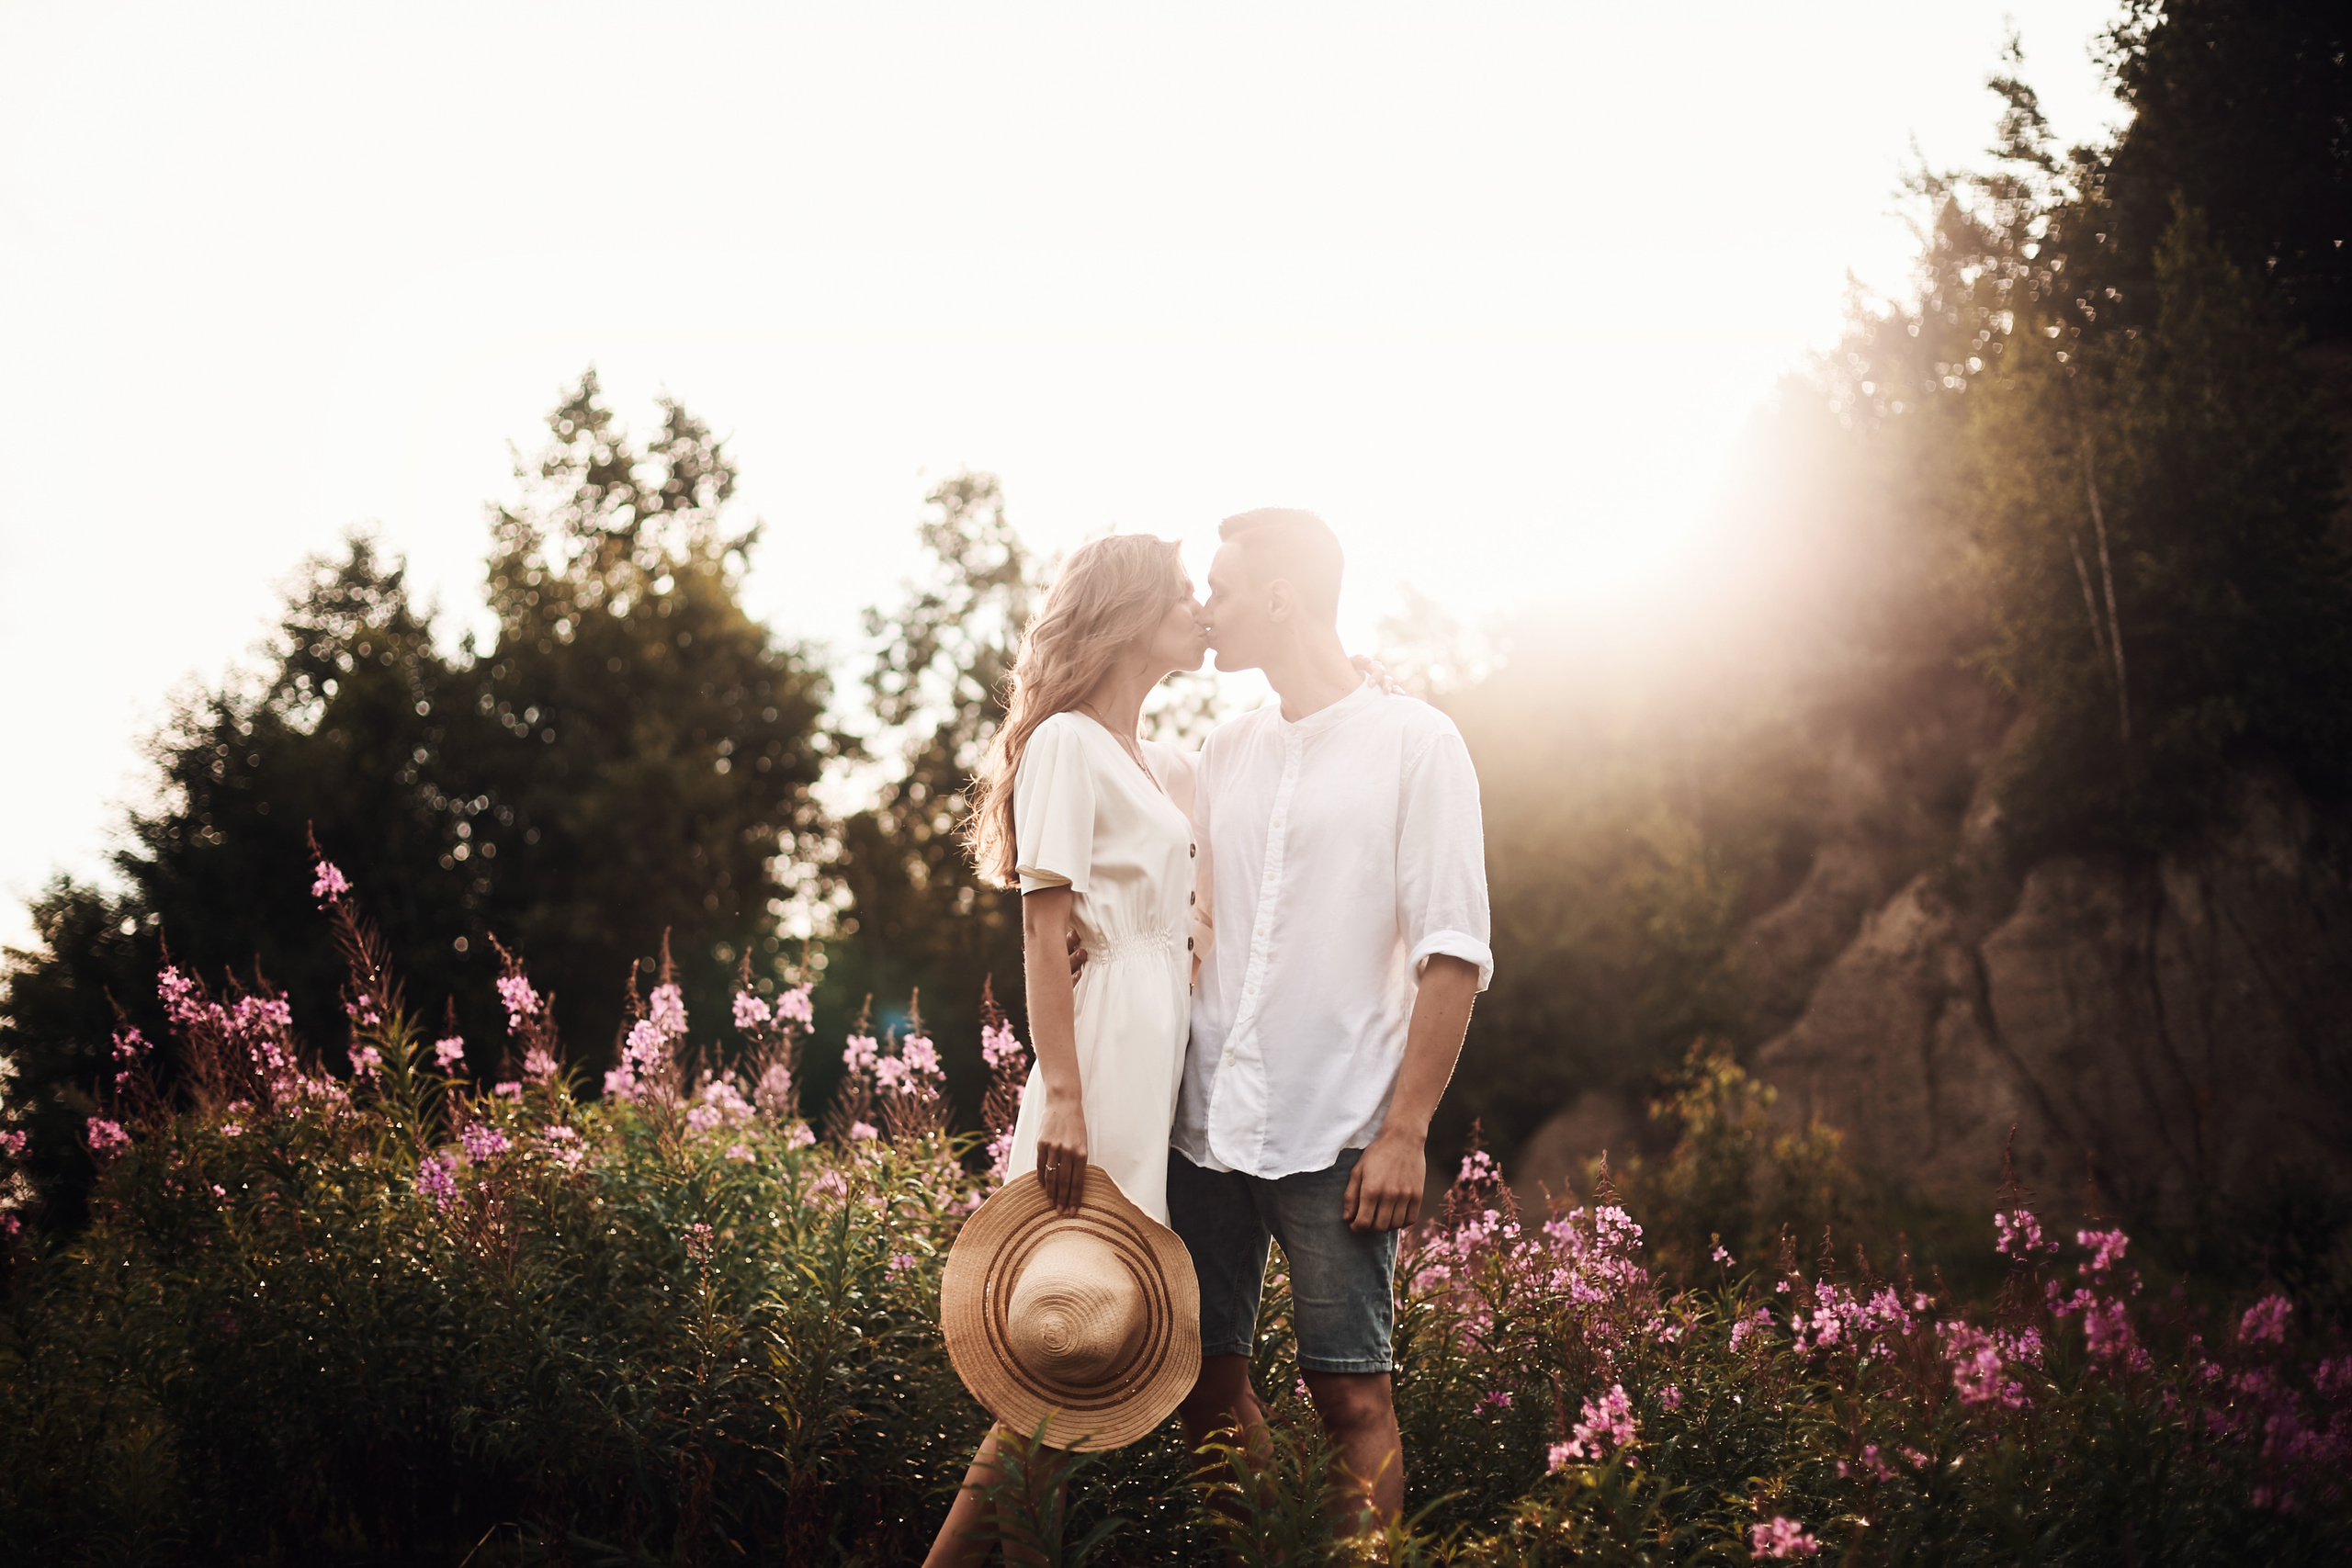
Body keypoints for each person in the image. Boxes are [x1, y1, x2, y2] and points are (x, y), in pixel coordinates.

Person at [1169, 506, 1492, 1541]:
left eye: (1217, 591)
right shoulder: (1224, 747)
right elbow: (1197, 917)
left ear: (1278, 596)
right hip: (1203, 1125)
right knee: (1202, 1391)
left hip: (1338, 1129)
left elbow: (1453, 951)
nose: (1201, 611)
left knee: (1349, 1395)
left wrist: (1406, 1131)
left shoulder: (1417, 742)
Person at [923, 532, 1210, 1568]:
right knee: (1066, 1354)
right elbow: (1046, 933)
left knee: (1070, 1368)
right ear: (1131, 613)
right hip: (1107, 1050)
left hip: (1156, 1037)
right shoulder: (1065, 746)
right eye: (1182, 596)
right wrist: (1066, 1102)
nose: (1199, 610)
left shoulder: (1157, 757)